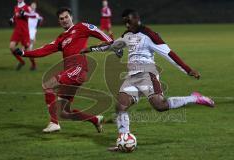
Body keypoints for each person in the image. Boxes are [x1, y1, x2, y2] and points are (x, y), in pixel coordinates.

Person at [84, 9, 215, 151]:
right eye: (124, 22)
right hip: (132, 76)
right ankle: (123, 140)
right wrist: (91, 49)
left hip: (147, 74)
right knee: (120, 106)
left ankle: (194, 98)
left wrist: (188, 70)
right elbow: (114, 46)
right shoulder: (127, 35)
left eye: (129, 20)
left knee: (160, 106)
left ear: (136, 18)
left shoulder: (150, 35)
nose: (127, 24)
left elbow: (169, 53)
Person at [13, 7, 114, 133]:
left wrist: (110, 42)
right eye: (61, 19)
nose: (65, 20)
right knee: (64, 112)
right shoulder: (61, 38)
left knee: (48, 84)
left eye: (66, 17)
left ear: (71, 17)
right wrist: (23, 53)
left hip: (79, 68)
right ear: (59, 22)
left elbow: (99, 32)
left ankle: (53, 123)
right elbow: (44, 50)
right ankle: (95, 120)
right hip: (71, 73)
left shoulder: (81, 27)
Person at [9, 0, 37, 70]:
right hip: (17, 31)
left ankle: (34, 65)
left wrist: (25, 13)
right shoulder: (16, 7)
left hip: (24, 32)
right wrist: (12, 20)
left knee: (28, 51)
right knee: (11, 47)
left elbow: (33, 15)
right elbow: (15, 16)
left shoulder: (27, 7)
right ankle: (22, 62)